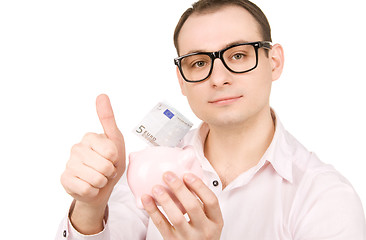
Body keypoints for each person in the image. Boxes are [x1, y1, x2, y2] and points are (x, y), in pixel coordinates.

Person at [56, 0, 366, 239]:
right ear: (181, 79)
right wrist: (91, 208)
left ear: (274, 63)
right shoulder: (147, 167)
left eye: (238, 56)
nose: (218, 78)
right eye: (199, 62)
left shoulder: (325, 197)